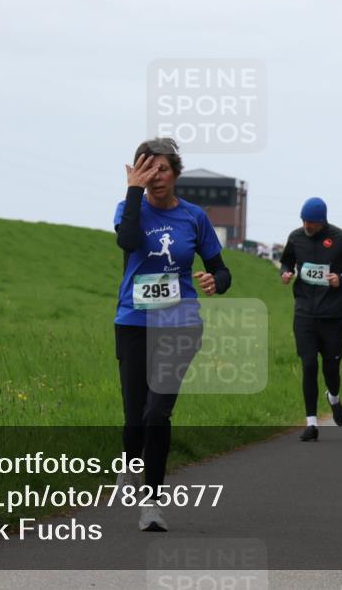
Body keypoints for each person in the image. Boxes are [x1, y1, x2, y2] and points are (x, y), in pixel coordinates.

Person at [114, 137, 230, 532]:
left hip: (180, 323)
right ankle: (130, 464)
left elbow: (221, 268)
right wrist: (133, 191)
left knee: (157, 412)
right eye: (146, 169)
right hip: (133, 322)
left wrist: (216, 280)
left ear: (175, 172)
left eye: (162, 168)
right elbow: (127, 242)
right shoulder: (128, 208)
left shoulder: (194, 217)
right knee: (134, 417)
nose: (155, 176)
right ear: (136, 173)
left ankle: (151, 503)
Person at [279, 197, 342, 442]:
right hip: (304, 312)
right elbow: (287, 260)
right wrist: (285, 271)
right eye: (304, 220)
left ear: (322, 221)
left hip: (332, 315)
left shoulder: (340, 238)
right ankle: (311, 423)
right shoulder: (296, 237)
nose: (307, 225)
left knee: (331, 368)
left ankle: (334, 397)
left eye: (312, 222)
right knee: (308, 365)